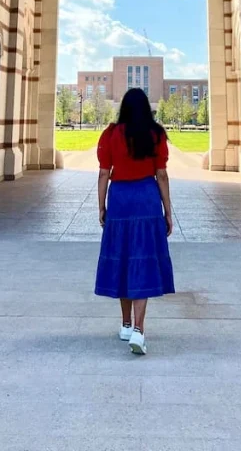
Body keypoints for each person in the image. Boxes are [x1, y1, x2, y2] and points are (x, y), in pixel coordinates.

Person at [94, 87, 175, 356]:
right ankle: (139, 330)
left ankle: (127, 324)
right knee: (143, 260)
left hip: (120, 200)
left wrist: (102, 206)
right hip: (146, 198)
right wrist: (168, 211)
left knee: (124, 258)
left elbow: (104, 173)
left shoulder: (110, 134)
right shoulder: (156, 134)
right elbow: (161, 175)